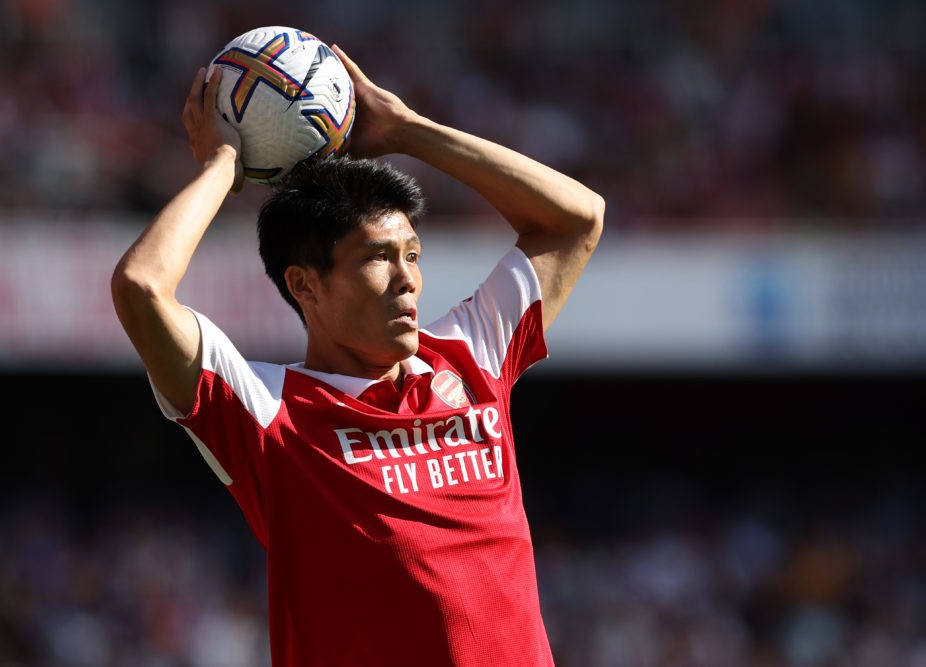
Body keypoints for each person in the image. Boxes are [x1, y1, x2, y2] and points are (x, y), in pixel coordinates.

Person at [111, 42, 604, 666]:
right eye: (378, 257)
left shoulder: (469, 356)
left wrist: (410, 131)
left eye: (413, 255)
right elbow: (142, 287)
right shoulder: (266, 411)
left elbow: (577, 220)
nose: (408, 280)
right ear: (304, 284)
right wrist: (222, 164)